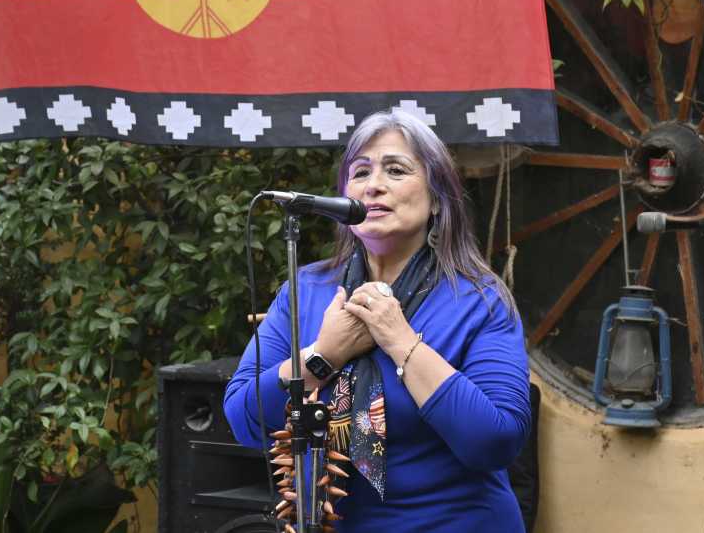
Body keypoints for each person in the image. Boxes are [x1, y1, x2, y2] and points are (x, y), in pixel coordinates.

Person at [223, 109, 531, 532]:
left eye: (396, 170)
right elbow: (244, 420)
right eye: (360, 172)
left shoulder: (479, 299)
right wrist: (322, 355)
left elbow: (496, 441)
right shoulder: (308, 289)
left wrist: (401, 341)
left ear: (438, 197)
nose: (374, 185)